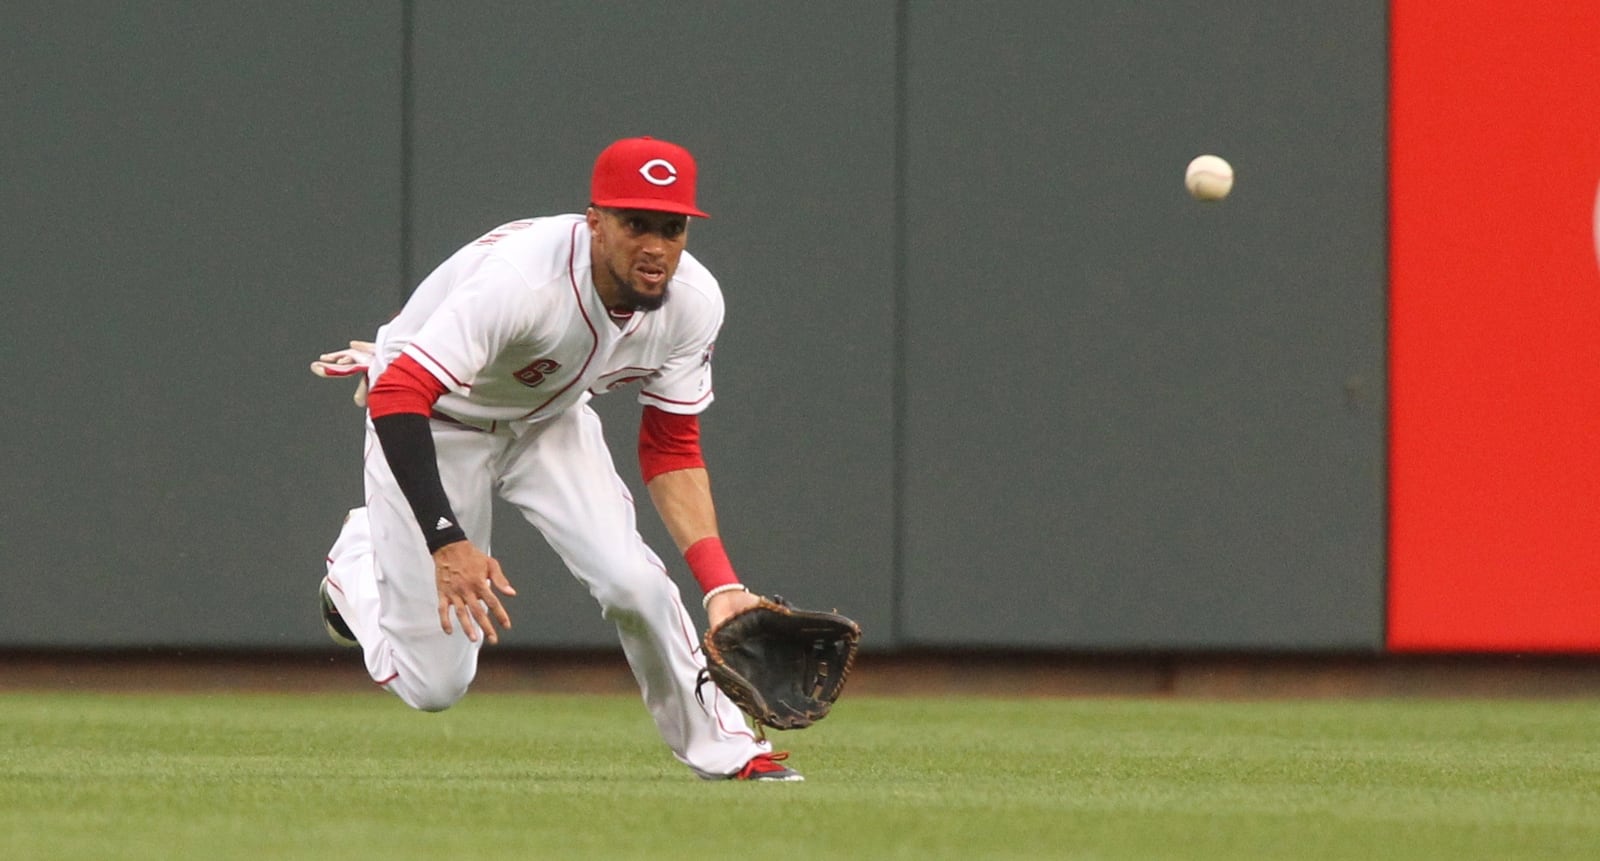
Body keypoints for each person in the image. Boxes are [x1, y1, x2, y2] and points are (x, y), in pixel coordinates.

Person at [313, 136, 801, 781]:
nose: (655, 246)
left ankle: (733, 752)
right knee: (433, 687)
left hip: (548, 419)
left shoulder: (693, 302)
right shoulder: (525, 280)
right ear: (595, 222)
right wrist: (445, 540)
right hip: (435, 422)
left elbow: (671, 447)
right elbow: (400, 392)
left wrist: (721, 584)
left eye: (671, 227)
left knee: (635, 583)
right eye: (635, 225)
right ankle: (358, 554)